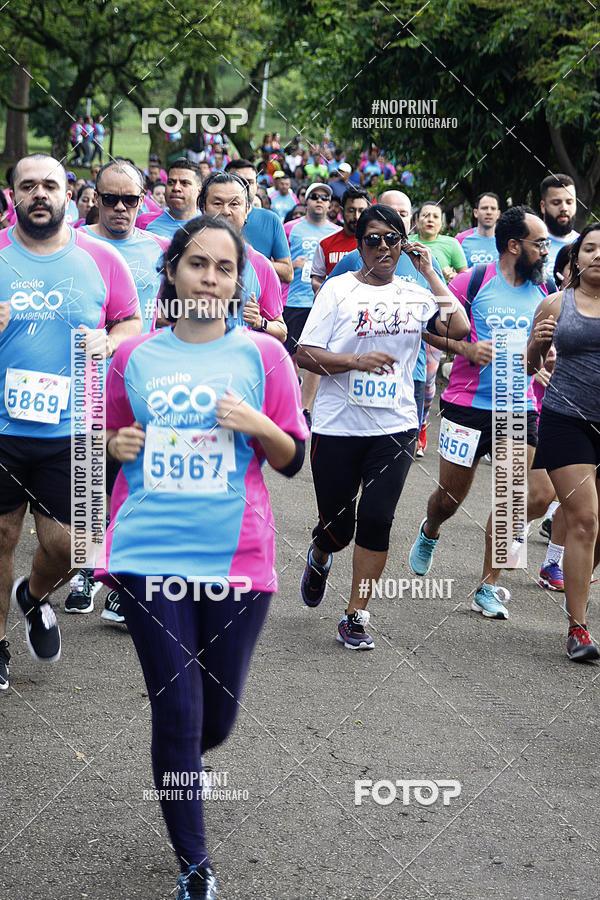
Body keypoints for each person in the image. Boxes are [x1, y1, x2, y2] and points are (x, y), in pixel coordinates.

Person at [99, 215, 308, 896]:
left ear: (238, 280)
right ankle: (196, 868)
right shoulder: (136, 358)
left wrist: (258, 425)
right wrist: (113, 449)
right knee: (180, 714)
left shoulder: (264, 358)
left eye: (224, 267)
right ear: (174, 271)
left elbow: (291, 460)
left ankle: (177, 762)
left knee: (213, 720)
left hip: (237, 561)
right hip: (149, 551)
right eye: (198, 263)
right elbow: (106, 438)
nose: (210, 278)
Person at [296, 205, 468, 650]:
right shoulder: (338, 290)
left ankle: (355, 614)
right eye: (373, 239)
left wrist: (432, 274)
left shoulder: (415, 293)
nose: (384, 247)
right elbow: (305, 353)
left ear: (405, 243)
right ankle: (320, 554)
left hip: (395, 426)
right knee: (338, 528)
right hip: (338, 426)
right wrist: (355, 361)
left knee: (376, 519)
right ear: (359, 244)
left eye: (393, 238)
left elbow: (460, 327)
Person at [0, 153, 142, 690]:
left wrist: (112, 338)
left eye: (50, 185)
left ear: (68, 194)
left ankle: (33, 597)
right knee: (1, 537)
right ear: (13, 195)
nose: (40, 194)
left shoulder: (101, 258)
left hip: (77, 429)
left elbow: (131, 319)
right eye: (28, 186)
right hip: (3, 429)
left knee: (74, 547)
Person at [409, 206, 551, 619]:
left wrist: (546, 357)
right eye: (538, 243)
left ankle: (488, 586)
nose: (545, 251)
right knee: (450, 498)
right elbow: (430, 329)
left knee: (511, 498)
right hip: (467, 404)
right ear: (513, 245)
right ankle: (430, 529)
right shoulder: (473, 280)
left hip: (517, 405)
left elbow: (539, 354)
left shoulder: (545, 293)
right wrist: (467, 349)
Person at [527, 224, 600, 661]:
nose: (599, 255)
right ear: (577, 257)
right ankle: (579, 628)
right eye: (590, 248)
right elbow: (528, 363)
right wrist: (536, 349)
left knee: (597, 527)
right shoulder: (557, 303)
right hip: (566, 420)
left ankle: (573, 581)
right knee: (585, 519)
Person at [327, 190, 445, 446]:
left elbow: (448, 319)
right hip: (352, 375)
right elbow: (325, 310)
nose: (392, 221)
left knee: (396, 454)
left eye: (400, 215)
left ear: (410, 221)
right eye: (385, 214)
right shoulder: (354, 258)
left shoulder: (423, 261)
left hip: (408, 372)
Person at [199, 172, 286, 342]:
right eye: (217, 203)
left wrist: (260, 322)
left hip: (240, 363)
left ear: (247, 210)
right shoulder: (183, 257)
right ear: (203, 208)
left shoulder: (261, 265)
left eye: (234, 204)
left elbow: (282, 331)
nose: (225, 211)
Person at [283, 182, 339, 421]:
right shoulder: (290, 228)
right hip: (293, 300)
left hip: (323, 303)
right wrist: (289, 266)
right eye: (314, 196)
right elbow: (274, 260)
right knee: (289, 356)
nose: (319, 200)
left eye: (324, 197)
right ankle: (292, 400)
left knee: (316, 357)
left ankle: (304, 409)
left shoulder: (337, 232)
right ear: (306, 200)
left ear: (330, 204)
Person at [226, 159, 293, 284]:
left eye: (250, 182)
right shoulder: (211, 218)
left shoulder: (271, 219)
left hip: (259, 300)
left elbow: (287, 273)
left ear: (257, 186)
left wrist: (255, 259)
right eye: (239, 181)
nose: (245, 187)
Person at [310, 187, 370, 292]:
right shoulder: (325, 243)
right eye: (351, 210)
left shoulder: (376, 243)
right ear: (342, 212)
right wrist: (325, 295)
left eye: (361, 211)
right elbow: (317, 278)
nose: (356, 216)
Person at [136, 159, 201, 240]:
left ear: (199, 190)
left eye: (184, 183)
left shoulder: (210, 227)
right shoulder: (143, 222)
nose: (176, 188)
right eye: (171, 182)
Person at [409, 201, 468, 282]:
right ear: (417, 220)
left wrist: (453, 276)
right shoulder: (407, 242)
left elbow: (465, 278)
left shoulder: (452, 244)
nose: (430, 220)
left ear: (441, 223)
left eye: (436, 216)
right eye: (425, 215)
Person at [539, 174, 579, 272]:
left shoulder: (585, 245)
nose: (564, 208)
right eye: (556, 203)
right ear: (543, 206)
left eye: (569, 202)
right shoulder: (532, 245)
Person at [456, 193, 501, 267]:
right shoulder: (460, 240)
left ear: (498, 214)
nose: (489, 212)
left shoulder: (505, 241)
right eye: (484, 208)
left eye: (493, 209)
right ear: (475, 213)